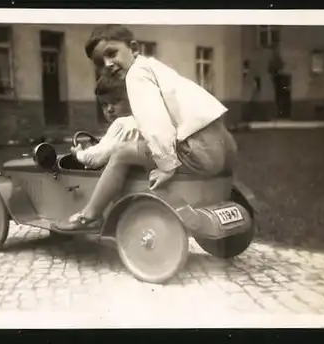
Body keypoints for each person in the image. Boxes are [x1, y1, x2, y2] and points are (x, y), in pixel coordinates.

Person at [53, 24, 237, 231]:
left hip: (199, 149)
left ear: (134, 49)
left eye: (112, 54)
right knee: (139, 147)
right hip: (223, 147)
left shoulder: (136, 75)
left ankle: (91, 214)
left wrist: (166, 166)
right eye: (99, 62)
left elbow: (155, 123)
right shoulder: (155, 68)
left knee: (121, 154)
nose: (108, 64)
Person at [72, 74, 139, 169]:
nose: (109, 109)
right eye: (104, 104)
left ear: (131, 99)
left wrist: (78, 153)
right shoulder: (139, 122)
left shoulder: (123, 124)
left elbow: (93, 159)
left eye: (115, 101)